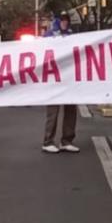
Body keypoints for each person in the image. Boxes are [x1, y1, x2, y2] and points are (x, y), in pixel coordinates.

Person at [41, 14, 79, 154]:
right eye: (62, 20)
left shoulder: (71, 35)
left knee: (71, 110)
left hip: (69, 78)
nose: (65, 23)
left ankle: (67, 140)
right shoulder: (50, 35)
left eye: (66, 20)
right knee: (53, 112)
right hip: (54, 79)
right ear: (58, 21)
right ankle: (48, 141)